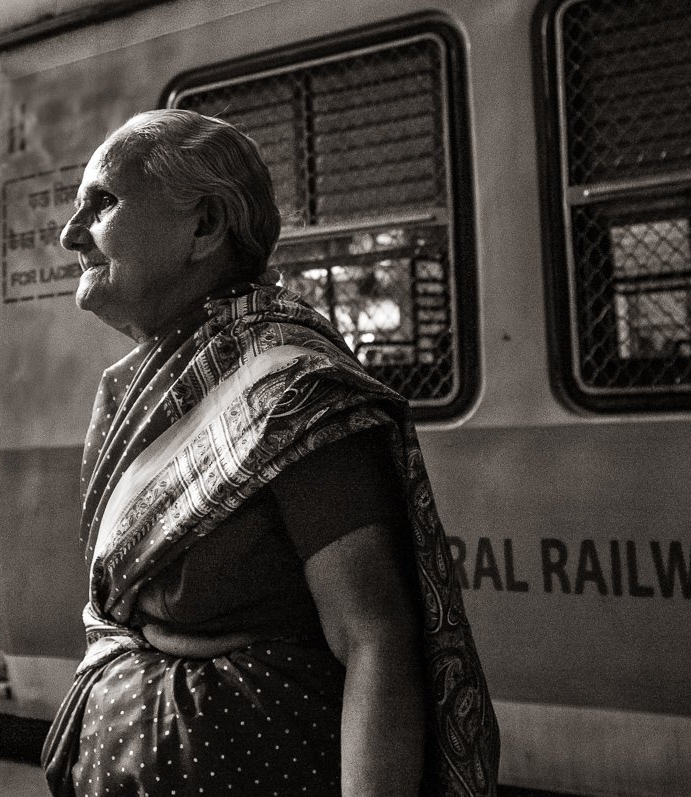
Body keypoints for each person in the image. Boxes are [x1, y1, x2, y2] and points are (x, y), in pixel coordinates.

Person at [41, 109, 498, 796]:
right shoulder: (141, 388)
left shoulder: (289, 392)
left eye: (101, 203)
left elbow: (374, 636)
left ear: (204, 226)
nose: (71, 234)